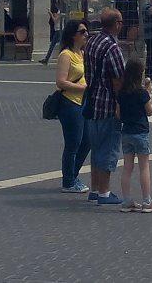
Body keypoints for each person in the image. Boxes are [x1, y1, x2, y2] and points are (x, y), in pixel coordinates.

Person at [83, 7, 127, 206]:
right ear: (116, 24)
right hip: (108, 103)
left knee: (96, 148)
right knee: (108, 149)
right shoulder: (112, 47)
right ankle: (104, 192)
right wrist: (121, 102)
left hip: (92, 102)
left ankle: (94, 189)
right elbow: (118, 79)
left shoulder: (91, 41)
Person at [115, 57, 152, 212]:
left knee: (127, 167)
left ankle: (126, 201)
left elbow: (118, 114)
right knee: (144, 167)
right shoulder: (141, 93)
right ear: (140, 74)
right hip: (140, 132)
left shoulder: (122, 92)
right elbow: (150, 111)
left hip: (126, 132)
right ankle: (147, 201)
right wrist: (149, 93)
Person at [54, 20, 90, 193]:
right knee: (73, 143)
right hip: (69, 103)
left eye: (86, 31)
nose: (86, 34)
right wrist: (81, 87)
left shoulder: (82, 53)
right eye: (82, 31)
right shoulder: (66, 55)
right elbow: (60, 82)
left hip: (83, 102)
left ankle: (72, 175)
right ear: (73, 35)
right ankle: (68, 182)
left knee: (87, 140)